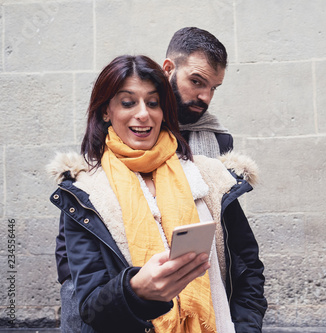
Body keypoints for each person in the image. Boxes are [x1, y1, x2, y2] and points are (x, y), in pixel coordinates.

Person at [48, 55, 266, 333]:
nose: (143, 113)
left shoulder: (210, 176)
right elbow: (91, 307)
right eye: (128, 102)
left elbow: (248, 272)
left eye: (153, 103)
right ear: (106, 111)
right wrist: (135, 290)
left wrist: (245, 329)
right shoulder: (85, 194)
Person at [163, 27, 233, 158]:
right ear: (168, 69)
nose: (206, 98)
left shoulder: (221, 140)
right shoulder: (136, 126)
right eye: (196, 81)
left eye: (213, 88)